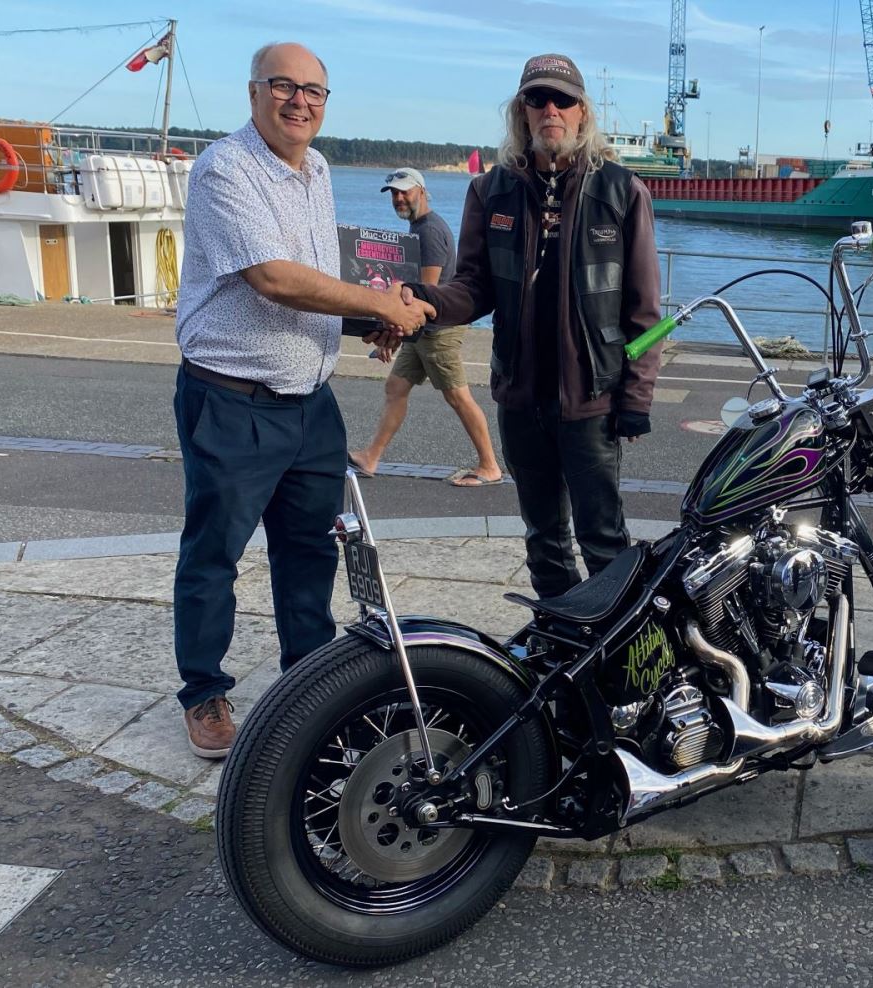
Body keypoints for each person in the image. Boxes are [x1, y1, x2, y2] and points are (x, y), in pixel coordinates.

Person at [173, 41, 433, 758]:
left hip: (310, 402)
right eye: (284, 86)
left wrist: (369, 318)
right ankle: (203, 693)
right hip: (231, 398)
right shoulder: (225, 168)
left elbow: (319, 281)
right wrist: (384, 301)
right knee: (214, 553)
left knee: (311, 553)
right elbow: (275, 280)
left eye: (314, 91)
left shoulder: (316, 169)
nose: (300, 101)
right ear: (253, 92)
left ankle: (308, 686)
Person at [407, 53, 661, 599]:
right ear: (520, 111)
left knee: (603, 541)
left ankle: (617, 656)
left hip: (593, 401)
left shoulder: (621, 191)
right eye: (537, 98)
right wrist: (424, 302)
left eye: (563, 99)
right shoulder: (490, 190)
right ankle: (559, 637)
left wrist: (635, 399)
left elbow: (646, 314)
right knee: (543, 538)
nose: (551, 109)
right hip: (521, 399)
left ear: (582, 112)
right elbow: (473, 287)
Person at [347, 167, 503, 487]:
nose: (398, 198)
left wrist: (392, 336)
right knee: (396, 388)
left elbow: (426, 291)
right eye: (393, 193)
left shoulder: (429, 231)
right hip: (423, 330)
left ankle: (490, 466)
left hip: (438, 329)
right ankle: (371, 456)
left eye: (404, 191)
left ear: (421, 190)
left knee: (458, 396)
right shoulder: (419, 228)